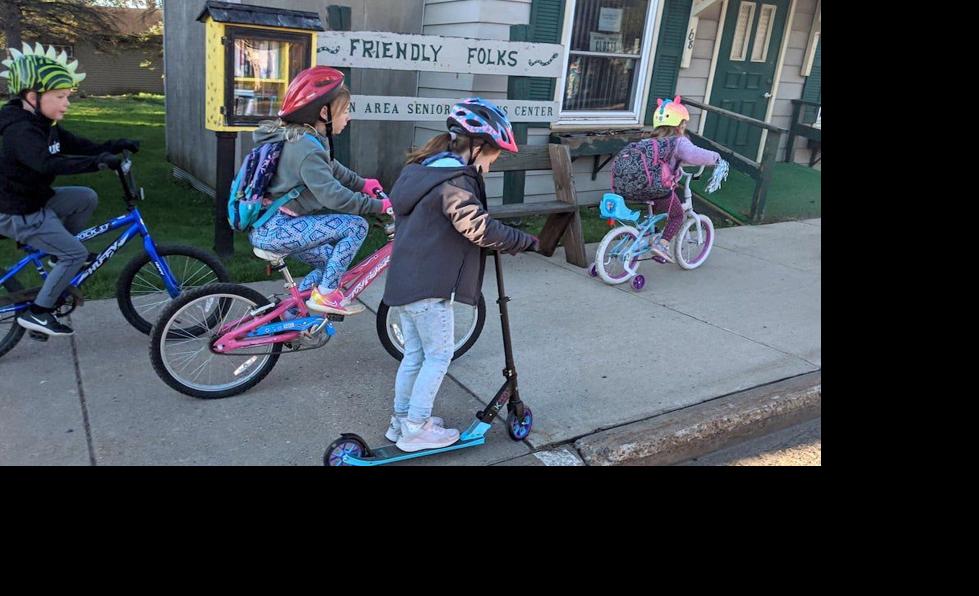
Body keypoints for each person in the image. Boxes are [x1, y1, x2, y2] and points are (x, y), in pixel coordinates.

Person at [380, 97, 539, 452]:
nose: (493, 164)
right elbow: (477, 227)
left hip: (406, 283)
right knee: (438, 356)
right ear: (477, 146)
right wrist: (522, 240)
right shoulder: (453, 181)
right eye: (494, 155)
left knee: (415, 356)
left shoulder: (424, 171)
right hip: (430, 287)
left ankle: (401, 421)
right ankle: (415, 429)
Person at [0, 43, 138, 336]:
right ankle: (38, 313)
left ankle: (54, 254)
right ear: (33, 97)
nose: (66, 103)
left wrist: (113, 145)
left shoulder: (43, 123)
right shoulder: (20, 130)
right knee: (75, 254)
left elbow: (76, 144)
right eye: (60, 96)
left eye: (68, 96)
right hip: (17, 211)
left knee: (85, 197)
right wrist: (97, 163)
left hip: (34, 200)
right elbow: (46, 163)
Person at [248, 66, 389, 316]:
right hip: (278, 229)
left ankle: (293, 314)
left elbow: (332, 167)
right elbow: (333, 196)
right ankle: (326, 294)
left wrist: (362, 183)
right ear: (324, 112)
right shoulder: (307, 149)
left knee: (332, 261)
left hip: (271, 225)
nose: (348, 117)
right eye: (345, 111)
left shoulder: (305, 140)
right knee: (356, 226)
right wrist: (378, 206)